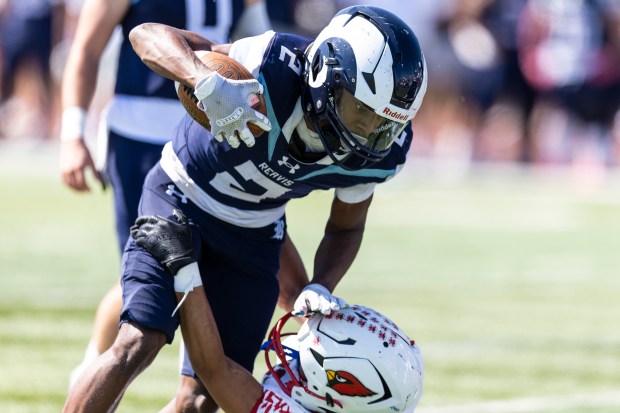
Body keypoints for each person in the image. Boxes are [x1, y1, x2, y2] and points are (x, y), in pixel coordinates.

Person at [62, 5, 427, 412]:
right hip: (180, 195)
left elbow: (346, 228)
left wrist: (320, 284)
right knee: (138, 340)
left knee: (206, 395)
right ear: (326, 75)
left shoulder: (379, 154)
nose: (368, 133)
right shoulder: (271, 65)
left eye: (384, 124)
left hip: (254, 232)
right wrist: (203, 80)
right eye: (361, 113)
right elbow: (145, 35)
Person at [59, 0, 273, 388]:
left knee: (212, 270)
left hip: (213, 133)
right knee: (148, 269)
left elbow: (259, 46)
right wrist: (72, 133)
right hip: (139, 134)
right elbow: (86, 48)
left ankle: (185, 388)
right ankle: (95, 367)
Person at [129, 208, 424, 413]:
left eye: (307, 371)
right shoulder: (397, 392)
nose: (291, 357)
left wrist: (183, 268)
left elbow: (214, 369)